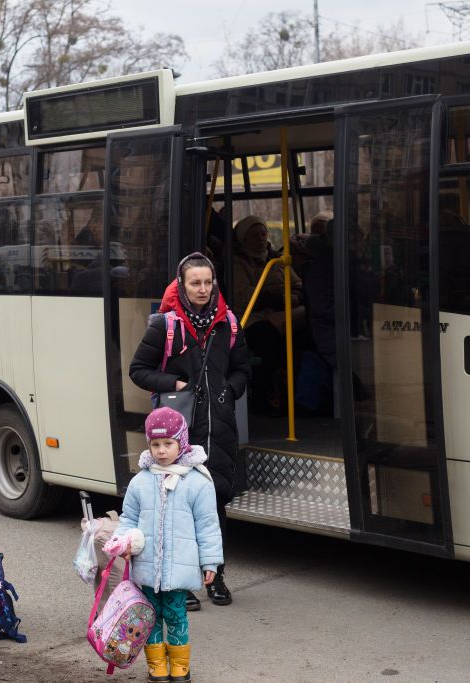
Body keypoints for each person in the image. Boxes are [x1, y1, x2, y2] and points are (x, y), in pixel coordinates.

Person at [129, 252, 250, 610]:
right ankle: (185, 586)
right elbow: (138, 370)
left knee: (213, 507)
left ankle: (217, 577)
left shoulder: (228, 322)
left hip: (219, 429)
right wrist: (174, 383)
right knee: (177, 510)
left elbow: (243, 368)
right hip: (179, 433)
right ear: (181, 285)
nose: (202, 289)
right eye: (195, 282)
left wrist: (230, 391)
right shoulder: (165, 325)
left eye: (207, 282)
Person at [105, 407, 223, 683]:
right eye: (155, 444)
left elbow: (208, 525)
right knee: (150, 616)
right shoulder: (140, 482)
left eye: (168, 444)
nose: (161, 451)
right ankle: (156, 665)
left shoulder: (197, 482)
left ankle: (180, 666)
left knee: (176, 614)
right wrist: (121, 541)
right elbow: (128, 518)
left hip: (178, 569)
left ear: (181, 442)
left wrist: (210, 562)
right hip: (146, 566)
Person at [230, 215, 307, 414]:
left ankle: (300, 393)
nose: (261, 239)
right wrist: (272, 297)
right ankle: (268, 395)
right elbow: (241, 296)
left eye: (263, 234)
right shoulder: (238, 263)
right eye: (255, 236)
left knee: (303, 339)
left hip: (282, 316)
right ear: (243, 239)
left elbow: (299, 286)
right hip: (252, 320)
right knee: (268, 341)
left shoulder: (278, 261)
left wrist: (294, 297)